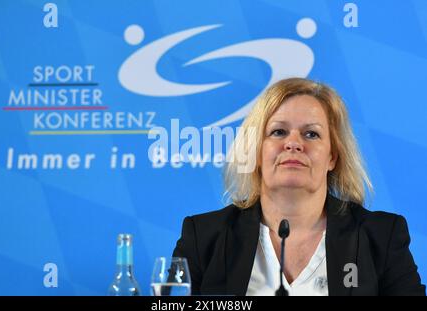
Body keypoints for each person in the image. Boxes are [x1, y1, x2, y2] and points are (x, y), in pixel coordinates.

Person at [172, 78, 425, 296]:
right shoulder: (203, 237)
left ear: (332, 157)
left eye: (311, 134)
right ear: (257, 153)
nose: (293, 144)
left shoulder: (380, 237)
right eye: (279, 132)